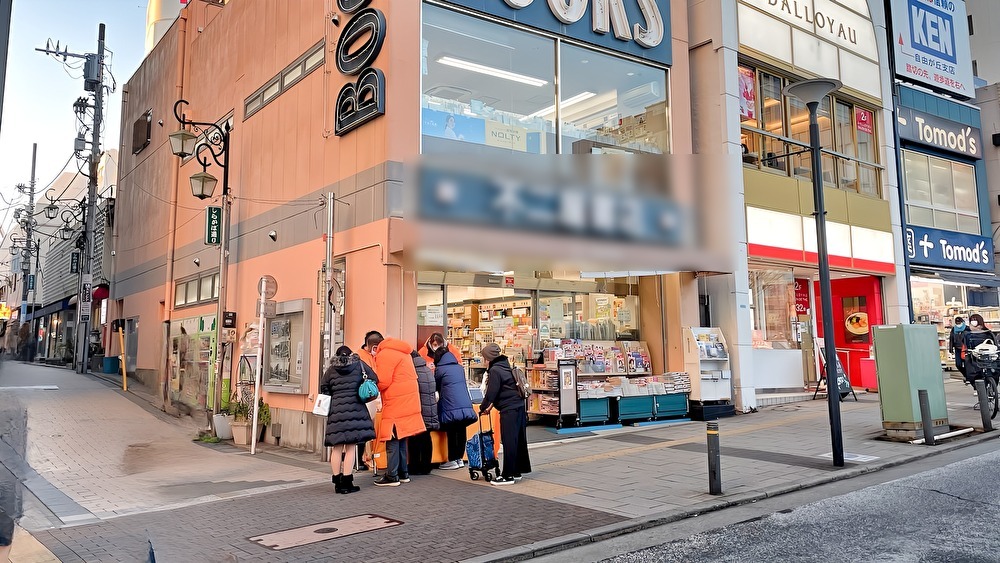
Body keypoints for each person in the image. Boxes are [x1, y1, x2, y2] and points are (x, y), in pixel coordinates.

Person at [369, 333, 425, 486]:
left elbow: (383, 381)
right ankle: (403, 473)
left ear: (375, 347)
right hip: (408, 401)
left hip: (395, 401)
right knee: (401, 439)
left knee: (391, 439)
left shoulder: (385, 354)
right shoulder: (403, 352)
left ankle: (392, 475)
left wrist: (370, 384)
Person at [320, 346, 377, 494]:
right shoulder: (359, 365)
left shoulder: (331, 370)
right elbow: (374, 378)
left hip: (336, 412)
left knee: (337, 447)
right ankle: (347, 481)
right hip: (355, 410)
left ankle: (337, 483)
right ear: (351, 355)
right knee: (351, 447)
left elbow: (324, 387)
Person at [479, 343, 530, 486]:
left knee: (509, 441)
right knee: (518, 440)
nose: (484, 361)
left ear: (489, 358)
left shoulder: (495, 370)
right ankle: (517, 471)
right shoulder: (505, 365)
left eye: (484, 357)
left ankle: (507, 476)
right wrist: (490, 407)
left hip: (509, 409)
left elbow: (491, 393)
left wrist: (483, 408)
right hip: (519, 406)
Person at [433, 343, 478, 470]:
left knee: (452, 432)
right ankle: (459, 459)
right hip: (464, 403)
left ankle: (452, 460)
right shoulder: (459, 367)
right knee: (461, 430)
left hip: (450, 405)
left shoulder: (440, 370)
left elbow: (435, 386)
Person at [409, 350, 440, 475]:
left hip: (419, 409)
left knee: (415, 439)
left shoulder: (412, 372)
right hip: (430, 409)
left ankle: (415, 466)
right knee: (426, 438)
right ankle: (427, 465)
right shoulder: (427, 370)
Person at [962, 314, 997, 397]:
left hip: (981, 357)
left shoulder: (969, 335)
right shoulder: (988, 333)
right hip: (984, 357)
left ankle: (983, 387)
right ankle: (983, 387)